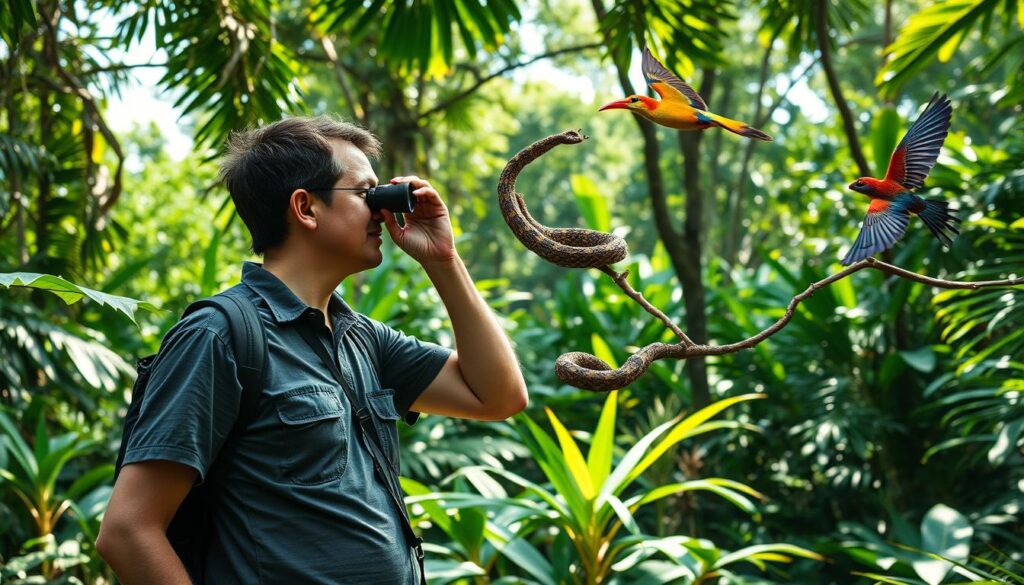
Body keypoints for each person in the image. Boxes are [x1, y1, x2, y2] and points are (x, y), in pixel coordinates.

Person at [95, 116, 529, 584]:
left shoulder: (361, 339)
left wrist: (443, 260)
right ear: (305, 207)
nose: (382, 211)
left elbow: (498, 397)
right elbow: (127, 531)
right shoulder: (220, 335)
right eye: (366, 194)